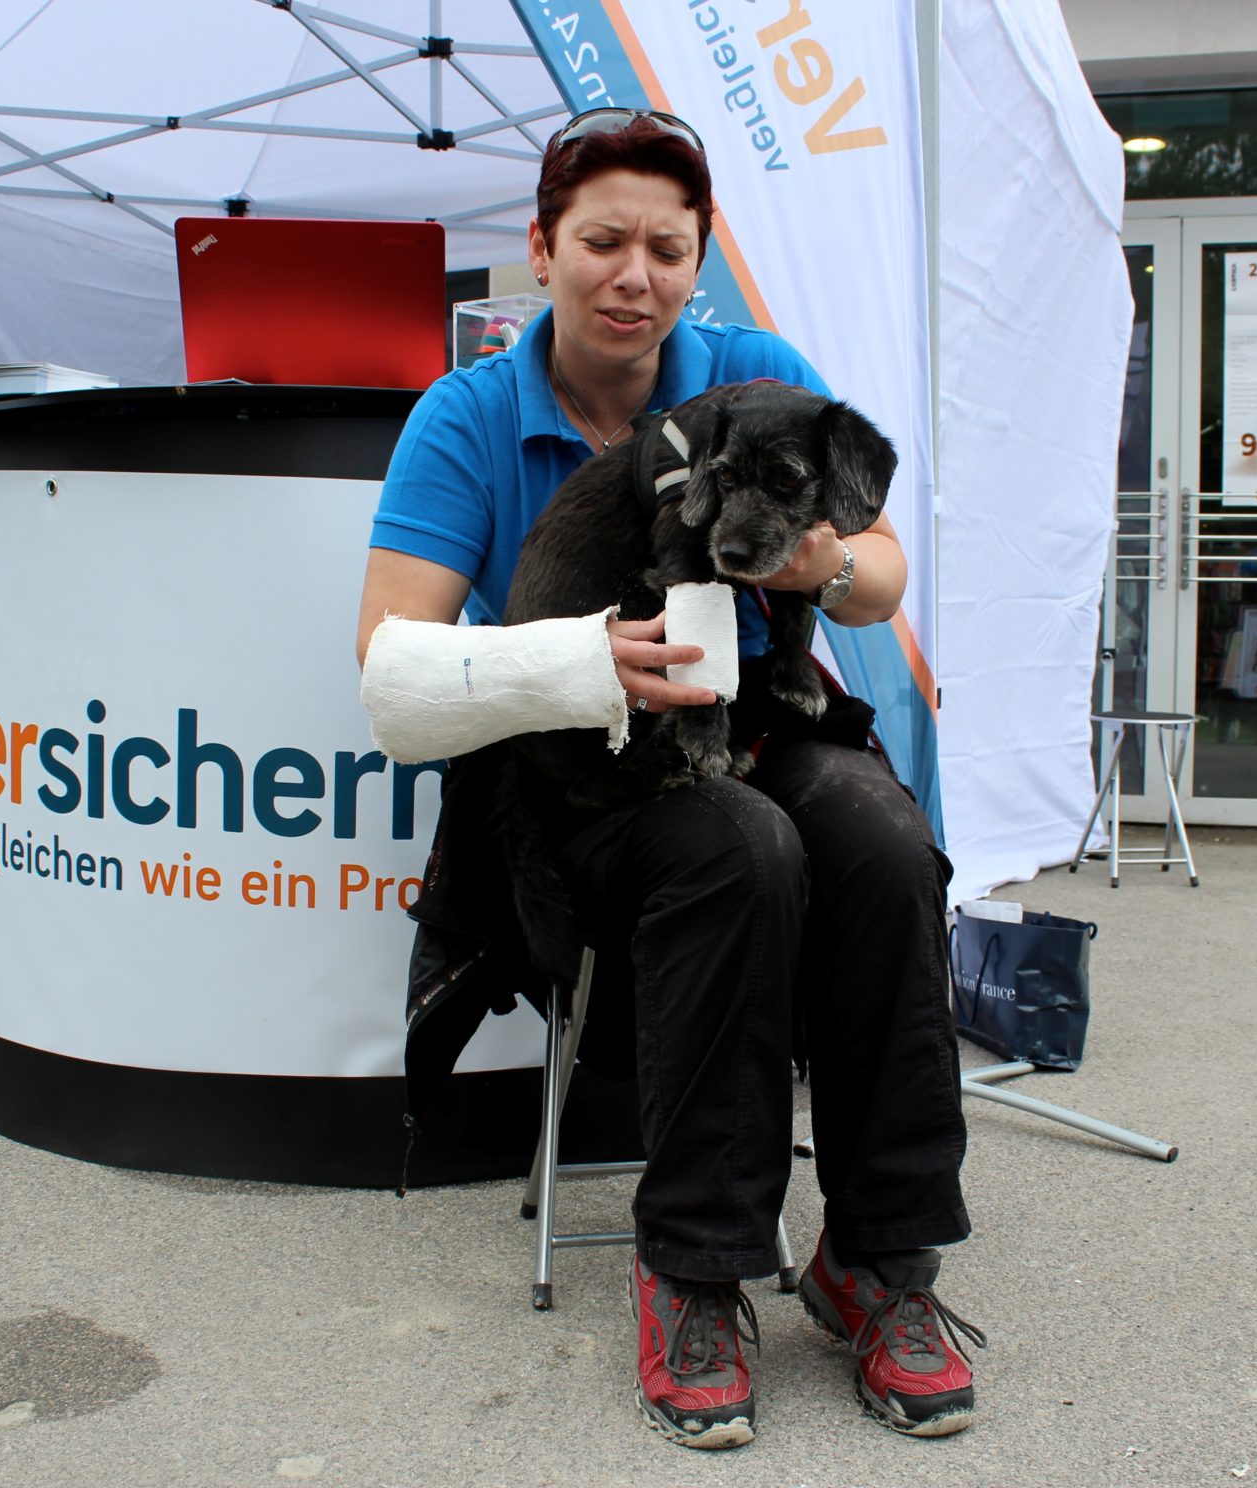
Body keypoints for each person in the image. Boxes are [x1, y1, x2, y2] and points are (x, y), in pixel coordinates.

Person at [356, 108, 983, 1452]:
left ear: (700, 257)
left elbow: (879, 579)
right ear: (542, 249)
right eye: (602, 243)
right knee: (737, 851)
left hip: (752, 716)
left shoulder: (757, 377)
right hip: (579, 770)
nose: (633, 276)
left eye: (666, 248)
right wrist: (579, 662)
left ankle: (880, 1260)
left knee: (881, 844)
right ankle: (695, 1270)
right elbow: (391, 671)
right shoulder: (470, 417)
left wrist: (806, 559)